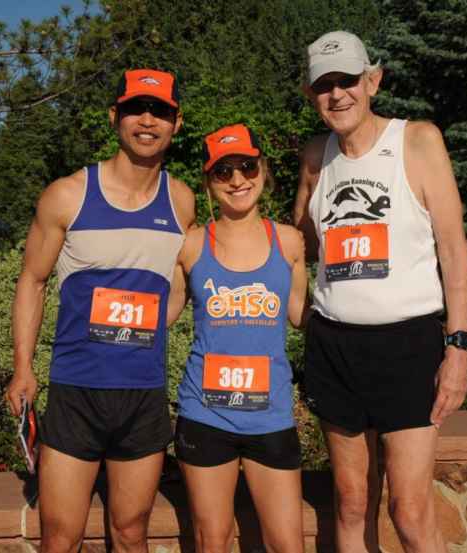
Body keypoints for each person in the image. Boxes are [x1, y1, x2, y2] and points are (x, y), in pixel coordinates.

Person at [293, 31, 467, 553]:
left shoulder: (417, 141)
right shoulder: (314, 156)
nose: (337, 95)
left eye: (347, 80)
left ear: (373, 81)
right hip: (334, 348)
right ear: (311, 95)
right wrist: (303, 314)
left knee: (410, 511)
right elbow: (298, 247)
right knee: (351, 503)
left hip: (408, 346)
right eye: (324, 85)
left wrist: (458, 348)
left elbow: (453, 251)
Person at [4, 68, 195, 553]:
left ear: (176, 123)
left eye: (161, 112)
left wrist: (149, 327)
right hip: (76, 396)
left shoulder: (181, 200)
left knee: (132, 533)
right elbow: (33, 280)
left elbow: (178, 284)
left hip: (143, 396)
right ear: (115, 117)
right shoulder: (67, 194)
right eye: (135, 109)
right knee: (61, 538)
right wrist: (22, 369)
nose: (147, 120)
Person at [168, 124, 309, 553]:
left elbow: (304, 315)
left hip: (270, 414)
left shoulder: (289, 242)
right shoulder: (190, 246)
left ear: (262, 171)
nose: (237, 180)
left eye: (246, 166)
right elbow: (164, 314)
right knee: (213, 540)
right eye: (222, 172)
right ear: (209, 183)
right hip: (205, 413)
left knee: (287, 542)